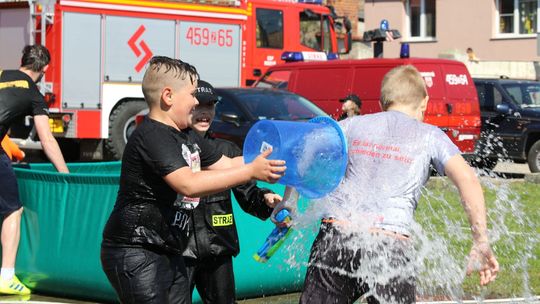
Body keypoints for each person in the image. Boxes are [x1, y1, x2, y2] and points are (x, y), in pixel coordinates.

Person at [279, 65, 499, 303]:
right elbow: (467, 178)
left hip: (336, 236)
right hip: (390, 243)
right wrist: (481, 240)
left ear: (383, 103)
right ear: (424, 102)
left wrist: (289, 201)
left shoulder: (352, 125)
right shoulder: (431, 136)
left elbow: (303, 150)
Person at [100, 57, 286, 304]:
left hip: (168, 248)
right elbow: (189, 184)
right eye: (192, 95)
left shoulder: (186, 136)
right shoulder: (152, 135)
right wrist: (252, 171)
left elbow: (228, 163)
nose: (197, 102)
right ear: (168, 96)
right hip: (137, 249)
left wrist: (278, 155)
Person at [182, 80, 283, 304]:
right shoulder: (174, 149)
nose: (204, 113)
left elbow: (249, 195)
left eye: (210, 106)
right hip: (181, 250)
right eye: (199, 106)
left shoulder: (227, 150)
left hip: (218, 249)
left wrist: (266, 198)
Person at [0, 44, 69, 295]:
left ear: (22, 61)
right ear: (45, 69)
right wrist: (66, 176)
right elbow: (47, 141)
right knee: (12, 210)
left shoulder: (1, 75)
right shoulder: (33, 93)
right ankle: (6, 276)